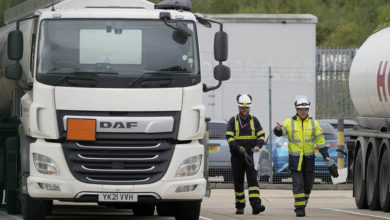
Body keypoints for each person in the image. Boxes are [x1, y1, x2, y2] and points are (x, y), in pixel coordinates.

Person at [274, 97, 330, 217]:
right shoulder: (289, 122)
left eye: (305, 109)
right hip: (295, 160)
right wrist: (277, 130)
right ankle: (299, 208)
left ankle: (302, 203)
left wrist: (326, 155)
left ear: (308, 109)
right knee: (298, 184)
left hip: (309, 160)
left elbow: (320, 140)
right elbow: (281, 131)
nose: (303, 111)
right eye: (301, 109)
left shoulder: (313, 124)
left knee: (308, 185)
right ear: (296, 110)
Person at [225, 94, 266, 215]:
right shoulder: (232, 121)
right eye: (242, 108)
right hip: (237, 156)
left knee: (253, 181)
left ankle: (256, 205)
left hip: (251, 156)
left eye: (247, 107)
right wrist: (238, 148)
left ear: (250, 108)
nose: (245, 109)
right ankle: (240, 206)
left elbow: (261, 135)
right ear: (238, 107)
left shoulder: (255, 120)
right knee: (238, 182)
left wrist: (258, 145)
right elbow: (229, 137)